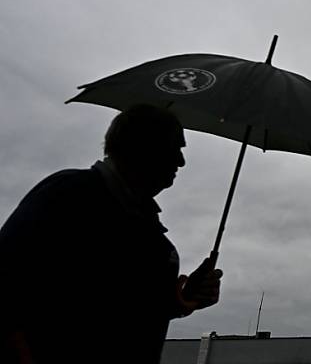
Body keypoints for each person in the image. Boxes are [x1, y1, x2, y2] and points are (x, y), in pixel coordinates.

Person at [0, 104, 223, 363]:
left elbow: (121, 308)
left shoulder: (147, 228)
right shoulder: (70, 195)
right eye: (175, 148)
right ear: (141, 147)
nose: (181, 162)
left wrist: (183, 298)